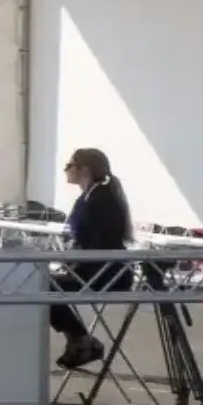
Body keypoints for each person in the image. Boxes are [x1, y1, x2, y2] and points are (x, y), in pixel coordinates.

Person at [51, 147, 135, 370]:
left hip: (106, 274)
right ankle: (79, 339)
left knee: (43, 286)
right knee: (43, 283)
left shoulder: (101, 201)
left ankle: (80, 340)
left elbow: (98, 244)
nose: (65, 170)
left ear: (84, 170)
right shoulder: (89, 197)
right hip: (94, 269)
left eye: (69, 165)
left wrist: (72, 263)